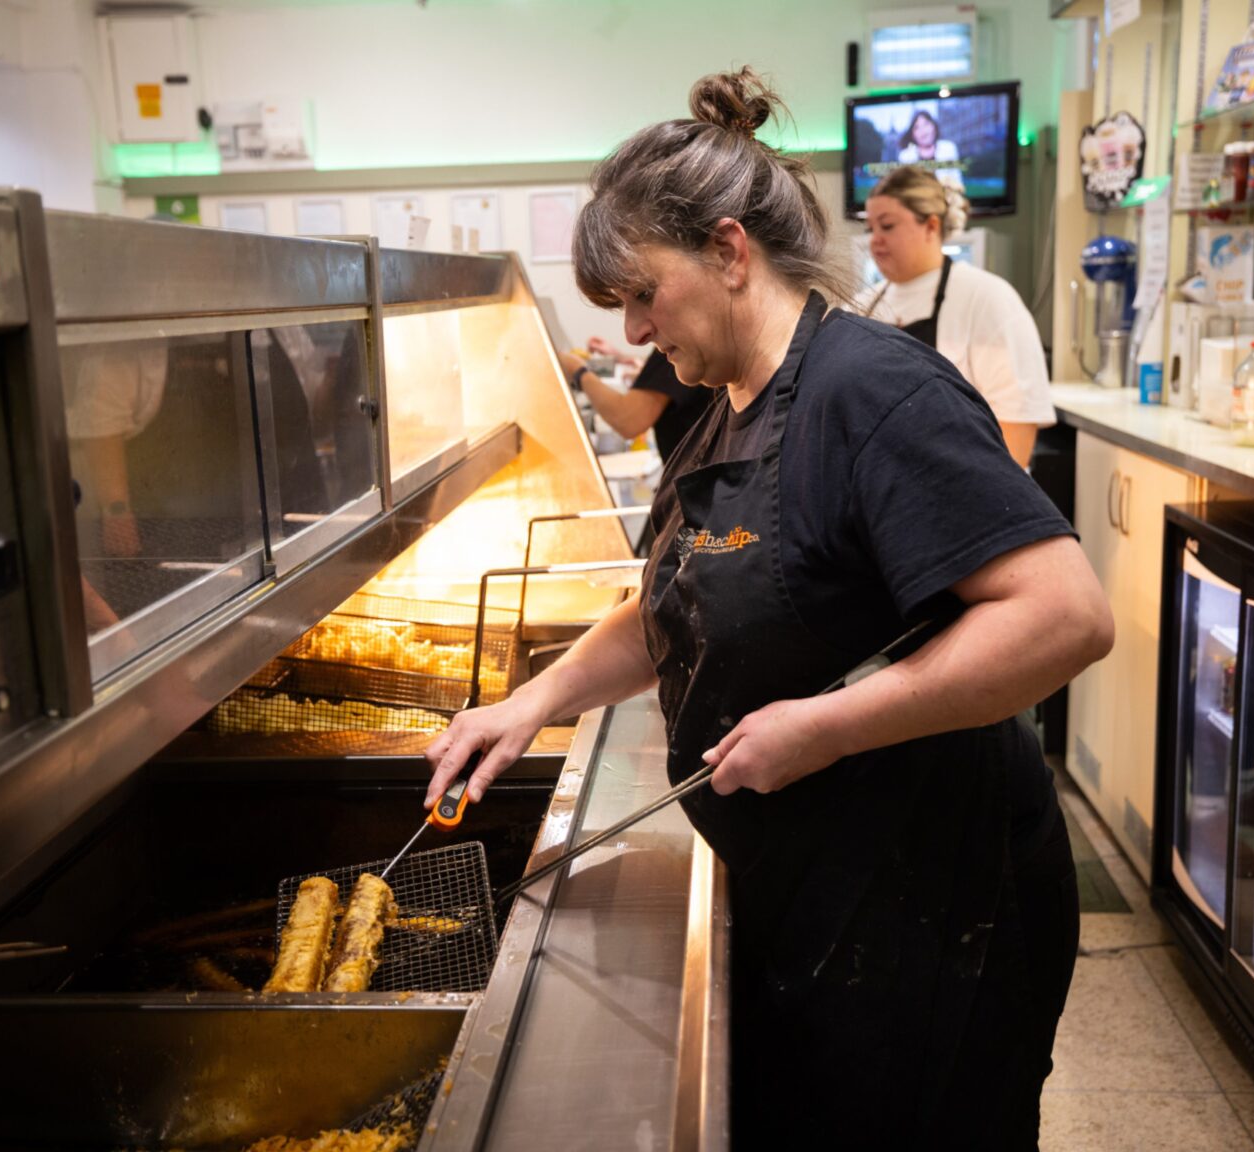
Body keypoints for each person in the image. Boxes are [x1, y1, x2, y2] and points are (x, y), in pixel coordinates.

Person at [423, 67, 1111, 1149]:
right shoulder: (720, 408)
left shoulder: (874, 393)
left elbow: (1066, 615)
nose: (643, 330)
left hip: (933, 899)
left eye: (646, 295)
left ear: (730, 252)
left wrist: (826, 725)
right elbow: (670, 603)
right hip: (821, 883)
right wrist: (533, 702)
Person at [858, 165, 1055, 468]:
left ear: (931, 226)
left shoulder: (987, 299)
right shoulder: (860, 306)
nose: (875, 240)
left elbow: (1017, 427)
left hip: (962, 494)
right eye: (870, 228)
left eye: (887, 226)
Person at [558, 341, 712, 464]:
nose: (632, 334)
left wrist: (578, 371)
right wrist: (623, 359)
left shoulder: (681, 341)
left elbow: (627, 420)